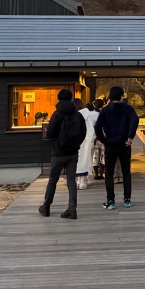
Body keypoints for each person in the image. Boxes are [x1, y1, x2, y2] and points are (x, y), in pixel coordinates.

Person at [38, 89, 86, 220]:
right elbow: (83, 132)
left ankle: (46, 207)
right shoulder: (78, 115)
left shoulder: (57, 114)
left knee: (53, 180)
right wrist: (77, 144)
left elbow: (50, 133)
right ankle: (72, 209)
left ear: (59, 99)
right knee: (71, 181)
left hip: (58, 153)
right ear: (71, 98)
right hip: (73, 153)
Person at [94, 86, 139, 210]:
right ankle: (127, 200)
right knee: (126, 172)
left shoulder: (105, 110)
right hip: (125, 144)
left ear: (109, 97)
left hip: (111, 144)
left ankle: (111, 200)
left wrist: (104, 141)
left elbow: (97, 127)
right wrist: (130, 137)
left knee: (108, 173)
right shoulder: (128, 108)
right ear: (121, 97)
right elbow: (135, 120)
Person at [74, 98, 98, 189]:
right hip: (87, 141)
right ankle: (83, 181)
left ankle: (77, 181)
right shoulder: (88, 115)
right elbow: (92, 128)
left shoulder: (73, 115)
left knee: (76, 161)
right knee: (86, 160)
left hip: (75, 142)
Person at [91, 98, 105, 180]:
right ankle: (101, 174)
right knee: (103, 156)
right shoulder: (105, 112)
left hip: (94, 138)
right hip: (103, 137)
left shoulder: (91, 114)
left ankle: (96, 174)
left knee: (95, 156)